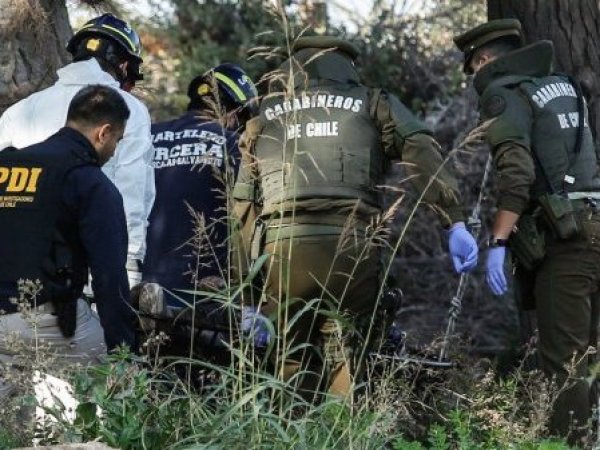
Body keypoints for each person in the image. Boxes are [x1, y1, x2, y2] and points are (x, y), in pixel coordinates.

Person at [232, 36, 478, 400]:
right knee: (349, 359)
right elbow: (420, 147)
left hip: (282, 253)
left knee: (287, 363)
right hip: (353, 247)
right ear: (347, 64)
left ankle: (290, 425)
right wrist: (453, 220)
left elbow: (243, 206)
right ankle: (346, 423)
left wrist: (246, 293)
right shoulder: (372, 101)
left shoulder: (262, 117)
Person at [454, 19, 600, 445]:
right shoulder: (564, 86)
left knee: (564, 365)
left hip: (566, 242)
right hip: (594, 221)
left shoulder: (504, 94)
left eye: (473, 69)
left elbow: (517, 174)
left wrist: (498, 241)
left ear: (484, 61)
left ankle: (569, 445)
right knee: (592, 356)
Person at [0, 85, 135, 399]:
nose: (114, 150)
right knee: (127, 386)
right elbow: (109, 277)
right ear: (104, 132)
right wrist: (123, 351)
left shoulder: (7, 164)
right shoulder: (91, 182)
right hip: (44, 320)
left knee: (12, 419)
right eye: (117, 140)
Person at [0, 13, 155, 287]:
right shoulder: (128, 109)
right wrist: (130, 267)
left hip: (18, 268)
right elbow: (131, 193)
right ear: (123, 65)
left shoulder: (19, 111)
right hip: (91, 269)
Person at [142, 63, 257, 309]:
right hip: (203, 296)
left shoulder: (146, 135)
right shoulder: (234, 144)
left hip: (138, 288)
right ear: (235, 112)